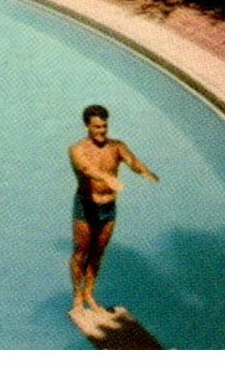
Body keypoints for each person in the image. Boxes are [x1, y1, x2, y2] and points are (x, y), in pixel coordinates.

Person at [69, 105, 159, 317]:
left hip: (108, 206)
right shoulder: (77, 149)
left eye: (104, 126)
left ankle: (89, 293)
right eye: (97, 127)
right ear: (87, 126)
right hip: (86, 206)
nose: (102, 131)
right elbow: (86, 169)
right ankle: (77, 296)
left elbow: (132, 161)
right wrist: (107, 178)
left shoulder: (116, 146)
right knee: (81, 253)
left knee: (98, 252)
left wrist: (144, 171)